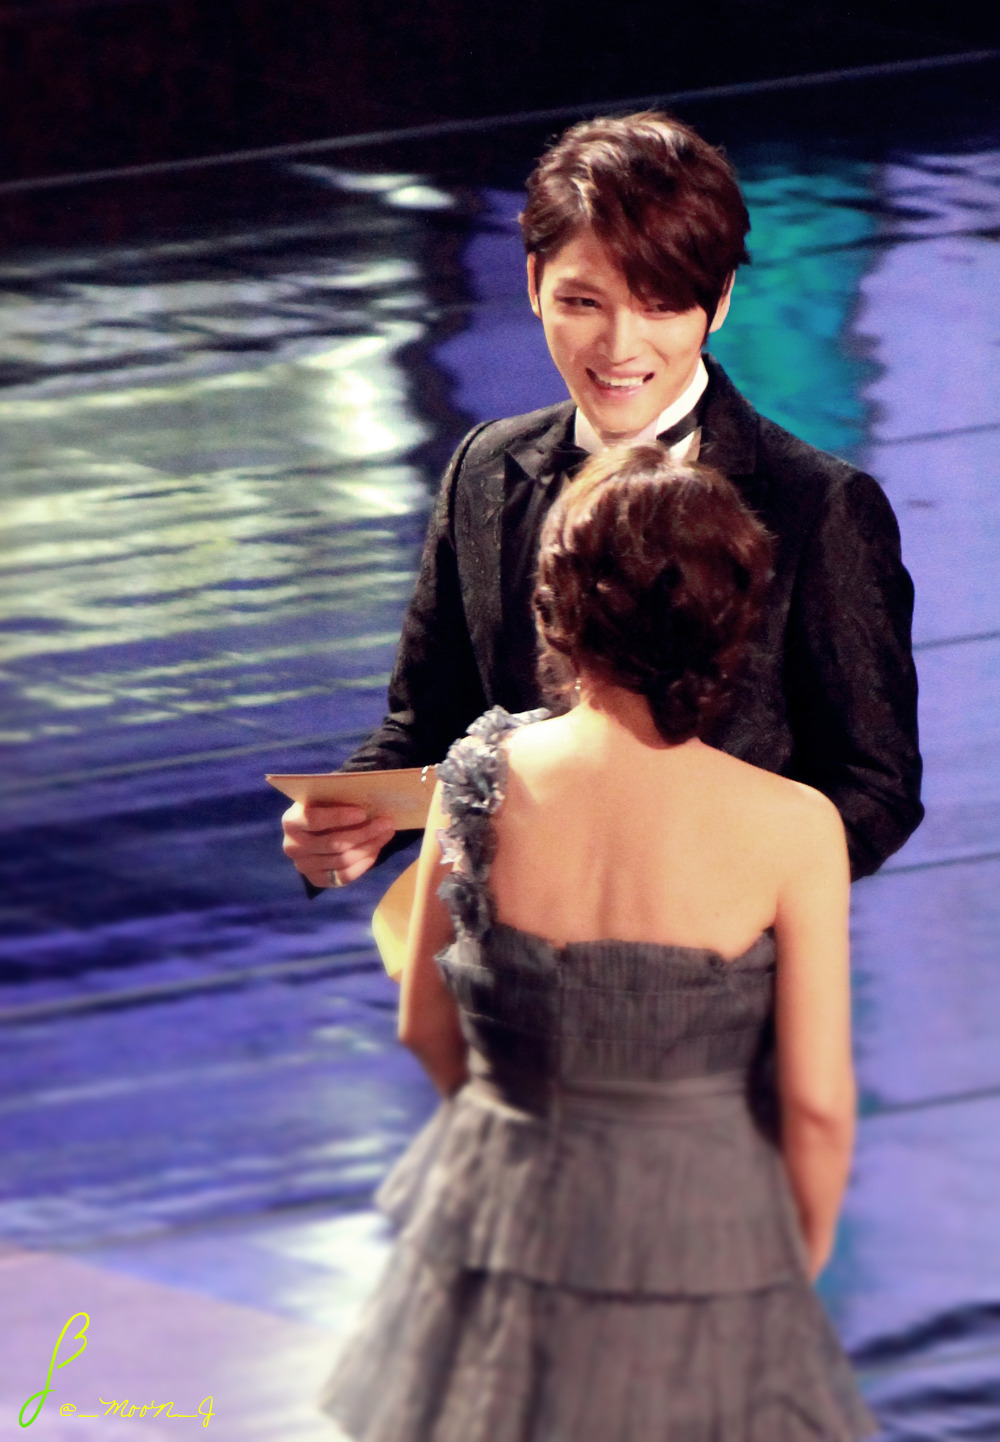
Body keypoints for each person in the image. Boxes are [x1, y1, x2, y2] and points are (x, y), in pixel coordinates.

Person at [320, 446, 876, 1441]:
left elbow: (425, 1028)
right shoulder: (795, 826)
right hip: (707, 1235)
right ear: (730, 616)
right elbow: (816, 1104)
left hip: (507, 1217)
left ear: (557, 607)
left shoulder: (475, 779)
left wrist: (512, 1135)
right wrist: (790, 1257)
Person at [283, 110, 922, 891]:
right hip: (512, 944)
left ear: (719, 300)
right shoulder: (485, 471)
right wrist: (351, 821)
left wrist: (709, 892)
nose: (620, 347)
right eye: (584, 303)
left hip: (714, 950)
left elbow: (875, 788)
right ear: (533, 284)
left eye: (659, 306)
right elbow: (428, 724)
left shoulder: (819, 507)